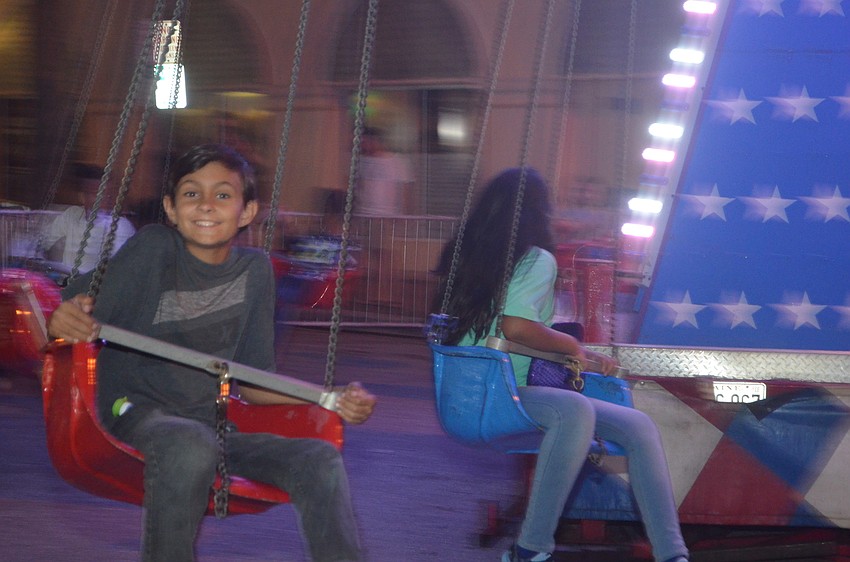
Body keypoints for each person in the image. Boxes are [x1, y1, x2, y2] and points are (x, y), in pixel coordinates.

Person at [47, 144, 376, 562]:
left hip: (209, 427)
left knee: (318, 458)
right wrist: (65, 318)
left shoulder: (254, 273)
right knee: (190, 443)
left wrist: (332, 398)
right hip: (131, 411)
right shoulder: (152, 250)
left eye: (222, 194)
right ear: (170, 207)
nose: (205, 205)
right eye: (191, 193)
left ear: (247, 211)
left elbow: (254, 383)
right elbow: (71, 307)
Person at [432, 168, 688, 562]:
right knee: (573, 410)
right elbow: (516, 326)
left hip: (458, 401)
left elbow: (500, 334)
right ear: (538, 213)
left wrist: (583, 356)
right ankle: (531, 548)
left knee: (638, 426)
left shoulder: (465, 258)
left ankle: (673, 553)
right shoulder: (536, 260)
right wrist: (569, 342)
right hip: (501, 397)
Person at [41, 162, 136, 274]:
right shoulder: (72, 215)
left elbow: (118, 269)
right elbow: (43, 241)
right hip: (66, 284)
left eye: (108, 194)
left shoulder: (120, 226)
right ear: (82, 197)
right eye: (96, 194)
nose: (104, 200)